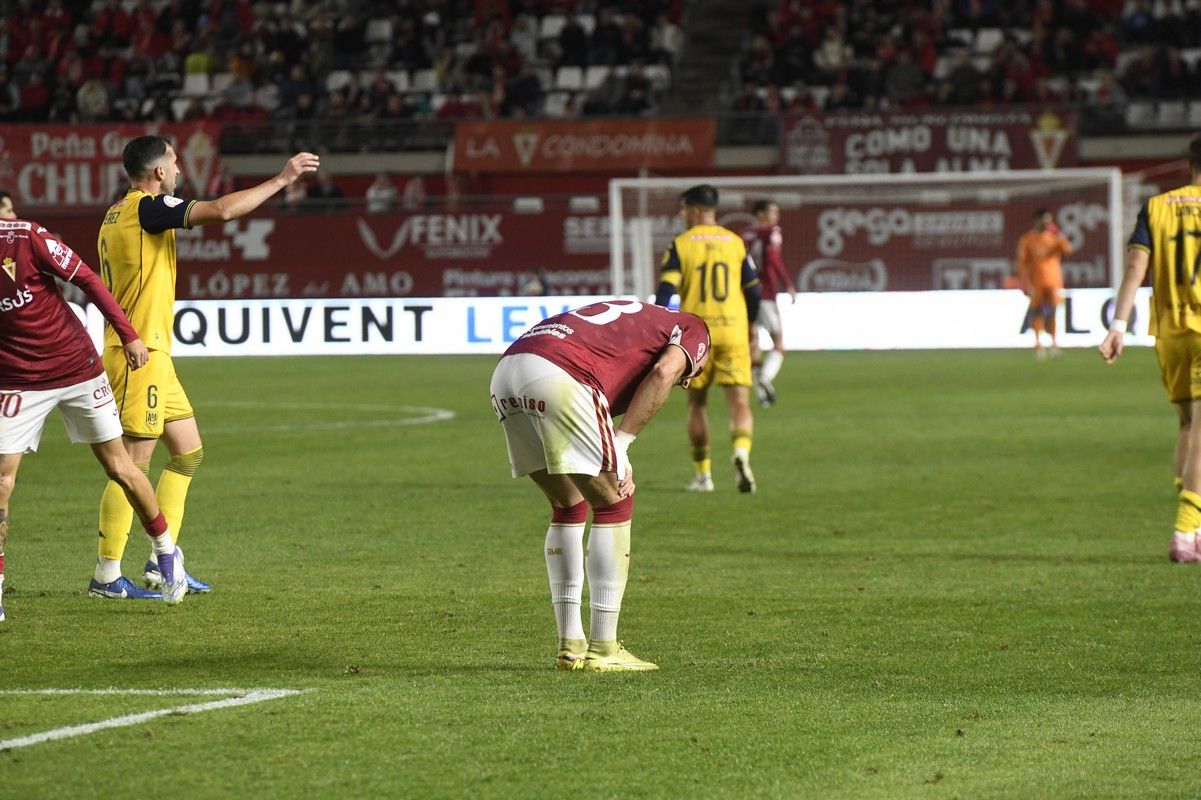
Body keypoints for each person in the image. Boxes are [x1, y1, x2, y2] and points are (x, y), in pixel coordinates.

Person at [93, 136, 318, 596]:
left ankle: (162, 562)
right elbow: (222, 212)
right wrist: (282, 179)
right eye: (173, 161)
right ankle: (107, 574)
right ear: (158, 172)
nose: (178, 168)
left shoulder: (114, 214)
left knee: (189, 450)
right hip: (139, 356)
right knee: (132, 464)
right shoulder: (148, 208)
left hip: (153, 355)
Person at [490, 300, 710, 671]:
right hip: (562, 373)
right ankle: (605, 648)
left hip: (507, 373)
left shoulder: (637, 320)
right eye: (694, 373)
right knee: (613, 500)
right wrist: (622, 445)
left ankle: (570, 645)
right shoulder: (694, 327)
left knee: (568, 503)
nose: (687, 381)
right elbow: (662, 372)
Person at [0, 190, 187, 618]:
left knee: (121, 466)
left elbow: (87, 278)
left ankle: (165, 553)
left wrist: (129, 334)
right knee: (2, 482)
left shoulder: (27, 237)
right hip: (19, 380)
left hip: (77, 367)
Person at [1100, 135, 1201, 563]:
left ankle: (1193, 520)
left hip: (1170, 331)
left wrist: (1118, 325)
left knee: (1186, 424)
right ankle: (1186, 530)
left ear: (1187, 164)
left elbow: (1136, 268)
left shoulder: (1157, 206)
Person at [655, 184, 761, 494]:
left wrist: (662, 325)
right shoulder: (735, 243)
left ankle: (704, 476)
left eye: (685, 210)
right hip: (733, 332)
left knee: (697, 404)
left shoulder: (681, 244)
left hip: (697, 336)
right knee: (739, 401)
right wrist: (751, 328)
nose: (682, 215)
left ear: (697, 210)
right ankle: (741, 453)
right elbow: (753, 291)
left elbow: (667, 290)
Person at [743, 200, 798, 407]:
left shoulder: (745, 234)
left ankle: (763, 396)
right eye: (772, 212)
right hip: (765, 294)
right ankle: (765, 378)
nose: (776, 216)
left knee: (753, 343)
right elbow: (774, 260)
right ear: (760, 214)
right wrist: (788, 284)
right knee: (778, 344)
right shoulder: (772, 232)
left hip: (746, 295)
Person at [1015, 208, 1072, 359]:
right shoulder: (1028, 239)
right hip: (1036, 283)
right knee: (1037, 313)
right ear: (1037, 221)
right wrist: (1025, 283)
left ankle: (1054, 345)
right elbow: (1022, 263)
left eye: (1049, 220)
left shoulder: (1054, 238)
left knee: (1053, 313)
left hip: (1053, 283)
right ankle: (1038, 345)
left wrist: (1059, 234)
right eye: (1045, 220)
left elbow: (1068, 249)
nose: (1047, 223)